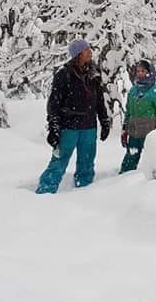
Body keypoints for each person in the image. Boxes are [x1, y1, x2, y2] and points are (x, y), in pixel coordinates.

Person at [36, 39, 111, 193]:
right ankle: (45, 191)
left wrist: (104, 120)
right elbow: (54, 103)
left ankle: (84, 191)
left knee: (87, 163)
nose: (90, 52)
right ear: (78, 54)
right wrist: (54, 127)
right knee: (59, 161)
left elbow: (99, 100)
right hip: (69, 127)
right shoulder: (63, 75)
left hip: (89, 126)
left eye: (89, 49)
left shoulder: (94, 73)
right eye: (86, 50)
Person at [120, 59, 156, 173]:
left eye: (143, 71)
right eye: (138, 71)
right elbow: (128, 110)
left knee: (154, 157)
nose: (140, 73)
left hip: (150, 131)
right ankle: (124, 177)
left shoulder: (155, 90)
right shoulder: (133, 90)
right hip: (134, 131)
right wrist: (125, 127)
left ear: (150, 73)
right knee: (131, 155)